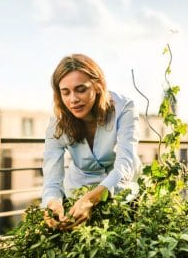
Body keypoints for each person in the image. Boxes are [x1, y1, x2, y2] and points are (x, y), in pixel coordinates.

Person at [42, 53, 140, 230]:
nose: (73, 99)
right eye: (66, 93)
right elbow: (52, 178)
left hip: (120, 191)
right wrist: (52, 203)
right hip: (78, 194)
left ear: (98, 86)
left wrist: (92, 199)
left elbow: (125, 165)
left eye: (81, 89)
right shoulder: (57, 123)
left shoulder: (124, 107)